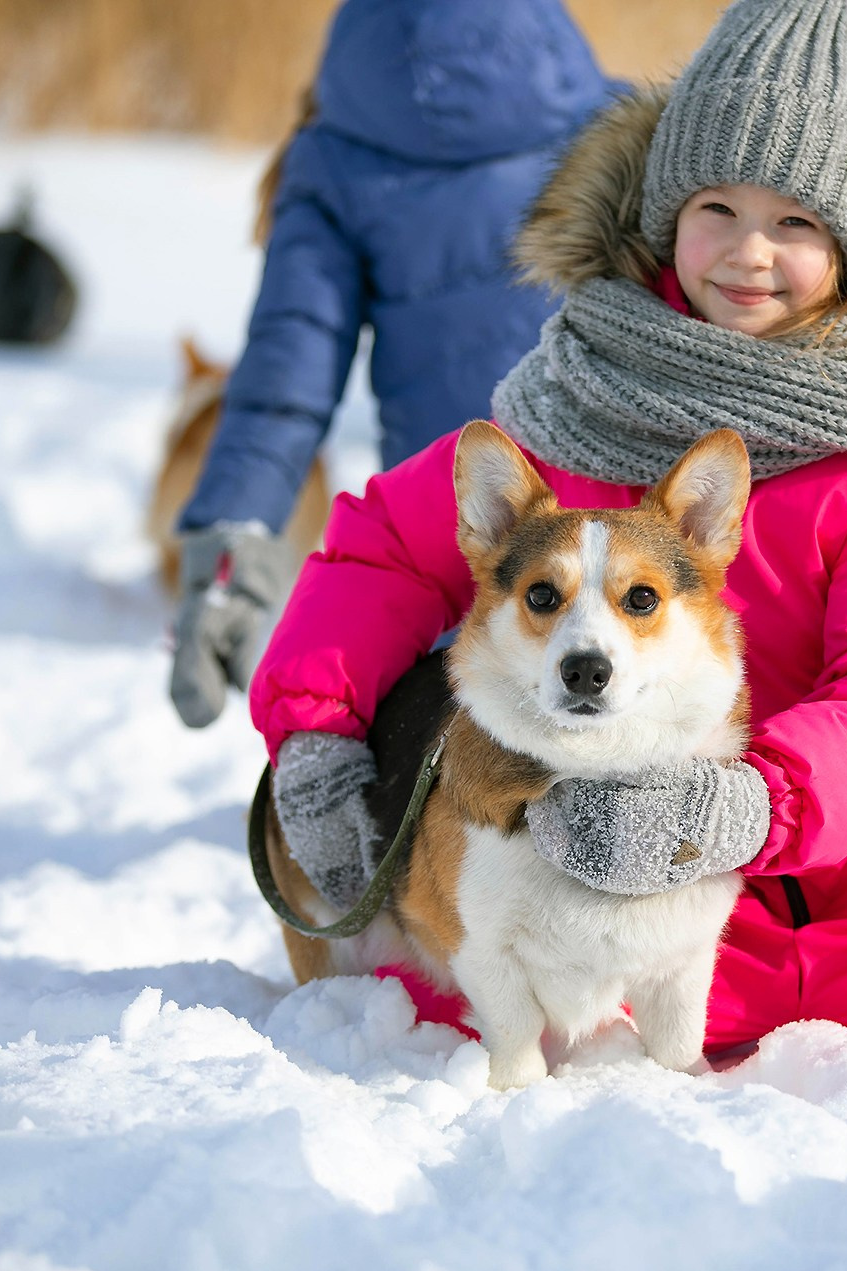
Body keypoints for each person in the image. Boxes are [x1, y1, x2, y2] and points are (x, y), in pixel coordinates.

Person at [253, 0, 847, 1055]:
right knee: (482, 998)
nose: (747, 252)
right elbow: (383, 550)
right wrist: (315, 731)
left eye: (798, 223)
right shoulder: (581, 392)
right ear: (664, 212)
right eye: (715, 205)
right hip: (609, 846)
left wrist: (738, 809)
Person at [167, 0, 618, 728]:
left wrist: (230, 555)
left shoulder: (333, 148)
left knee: (470, 792)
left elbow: (287, 374)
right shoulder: (614, 120)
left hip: (455, 540)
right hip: (622, 542)